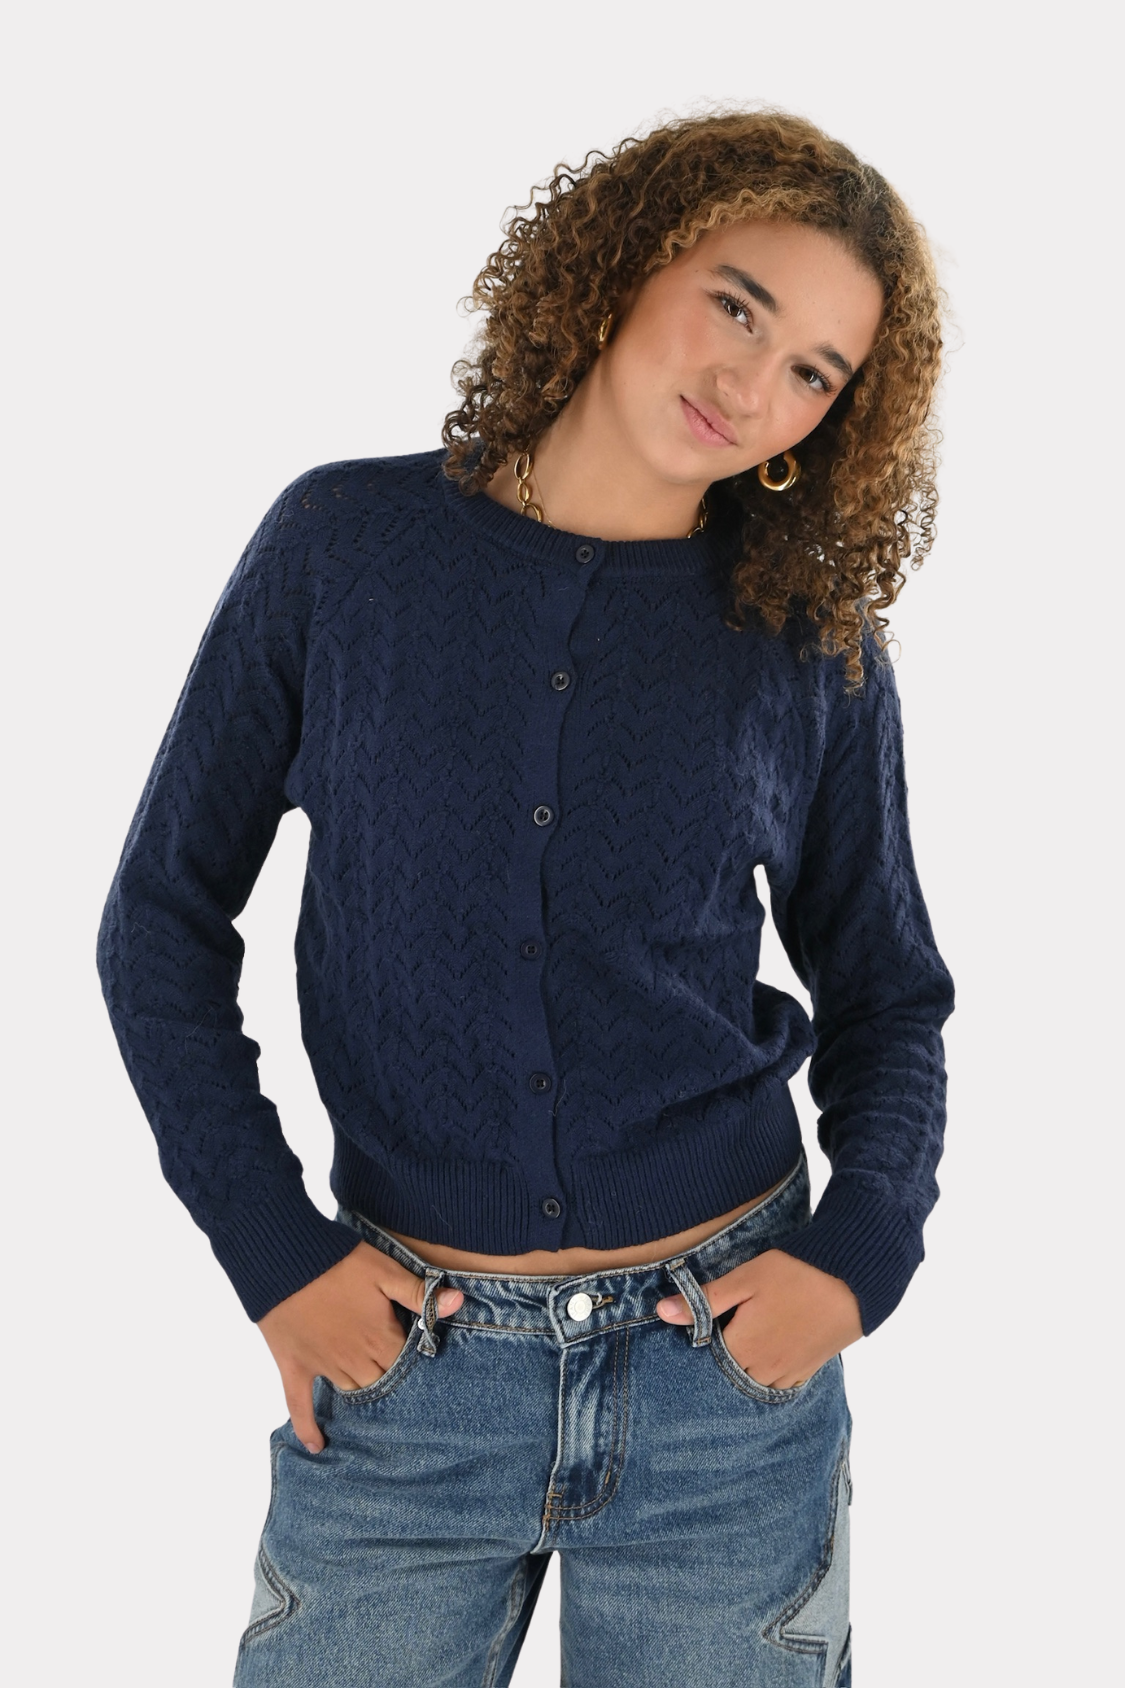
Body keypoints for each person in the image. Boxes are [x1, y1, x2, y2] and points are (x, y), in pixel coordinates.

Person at [97, 107, 954, 1687]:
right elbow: (159, 918)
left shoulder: (805, 642)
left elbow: (889, 992)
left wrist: (859, 1259)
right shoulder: (344, 550)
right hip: (407, 1370)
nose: (751, 383)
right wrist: (275, 1256)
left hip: (725, 1389)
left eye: (812, 372)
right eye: (737, 305)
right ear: (624, 262)